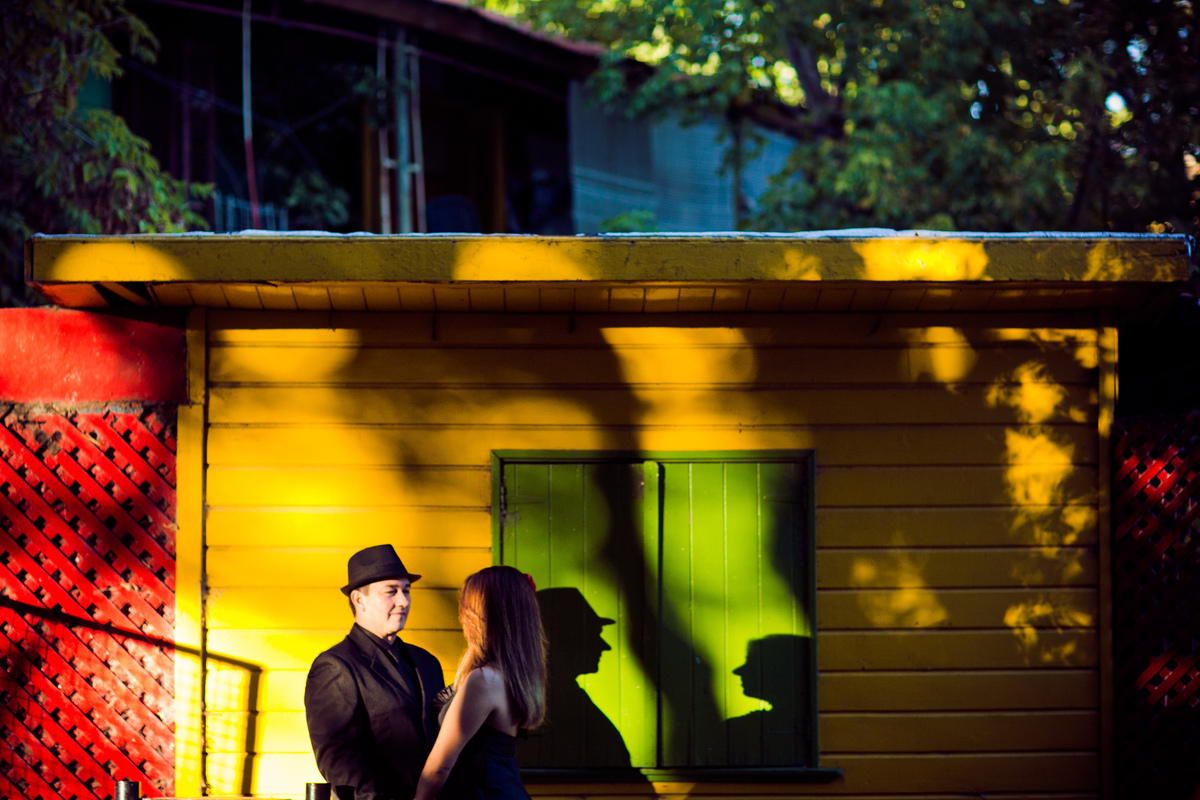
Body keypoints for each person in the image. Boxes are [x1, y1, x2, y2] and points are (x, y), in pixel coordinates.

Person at [305, 544, 445, 800]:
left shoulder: (428, 662)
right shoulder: (335, 665)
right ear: (359, 600)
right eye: (391, 591)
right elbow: (338, 758)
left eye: (406, 590)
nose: (403, 601)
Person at [414, 566, 547, 800]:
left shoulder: (485, 680)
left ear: (480, 616)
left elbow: (439, 766)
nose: (462, 615)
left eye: (467, 607)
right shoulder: (513, 676)